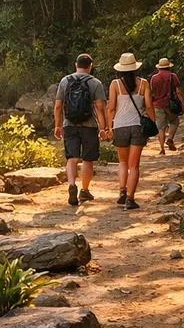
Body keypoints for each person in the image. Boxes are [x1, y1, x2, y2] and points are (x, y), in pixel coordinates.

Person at [54, 53, 109, 207]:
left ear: (75, 64)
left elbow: (58, 105)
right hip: (89, 125)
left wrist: (58, 125)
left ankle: (72, 184)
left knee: (72, 157)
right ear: (90, 66)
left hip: (69, 124)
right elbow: (100, 108)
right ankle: (84, 190)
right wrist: (103, 128)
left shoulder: (65, 81)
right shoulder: (95, 83)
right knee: (88, 159)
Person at [108, 52, 154, 210]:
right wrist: (153, 122)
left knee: (122, 162)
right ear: (135, 68)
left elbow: (111, 108)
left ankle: (122, 191)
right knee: (134, 166)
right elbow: (148, 106)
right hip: (137, 127)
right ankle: (130, 199)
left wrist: (109, 127)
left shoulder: (115, 84)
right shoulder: (144, 84)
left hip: (119, 126)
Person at [150, 58, 181, 154]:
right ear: (168, 67)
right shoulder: (173, 76)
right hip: (170, 104)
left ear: (159, 68)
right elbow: (178, 92)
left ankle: (162, 149)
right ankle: (170, 138)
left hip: (158, 105)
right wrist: (183, 104)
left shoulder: (154, 78)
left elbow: (151, 92)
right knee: (174, 121)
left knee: (161, 128)